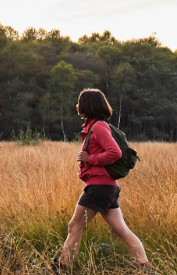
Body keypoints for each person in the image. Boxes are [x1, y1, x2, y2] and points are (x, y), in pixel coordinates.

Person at [52, 88, 154, 274]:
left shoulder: (98, 126)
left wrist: (89, 159)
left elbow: (115, 152)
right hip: (107, 187)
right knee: (120, 229)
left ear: (87, 105)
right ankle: (145, 267)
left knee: (74, 226)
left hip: (99, 187)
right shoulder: (95, 125)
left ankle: (61, 268)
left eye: (80, 102)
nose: (77, 106)